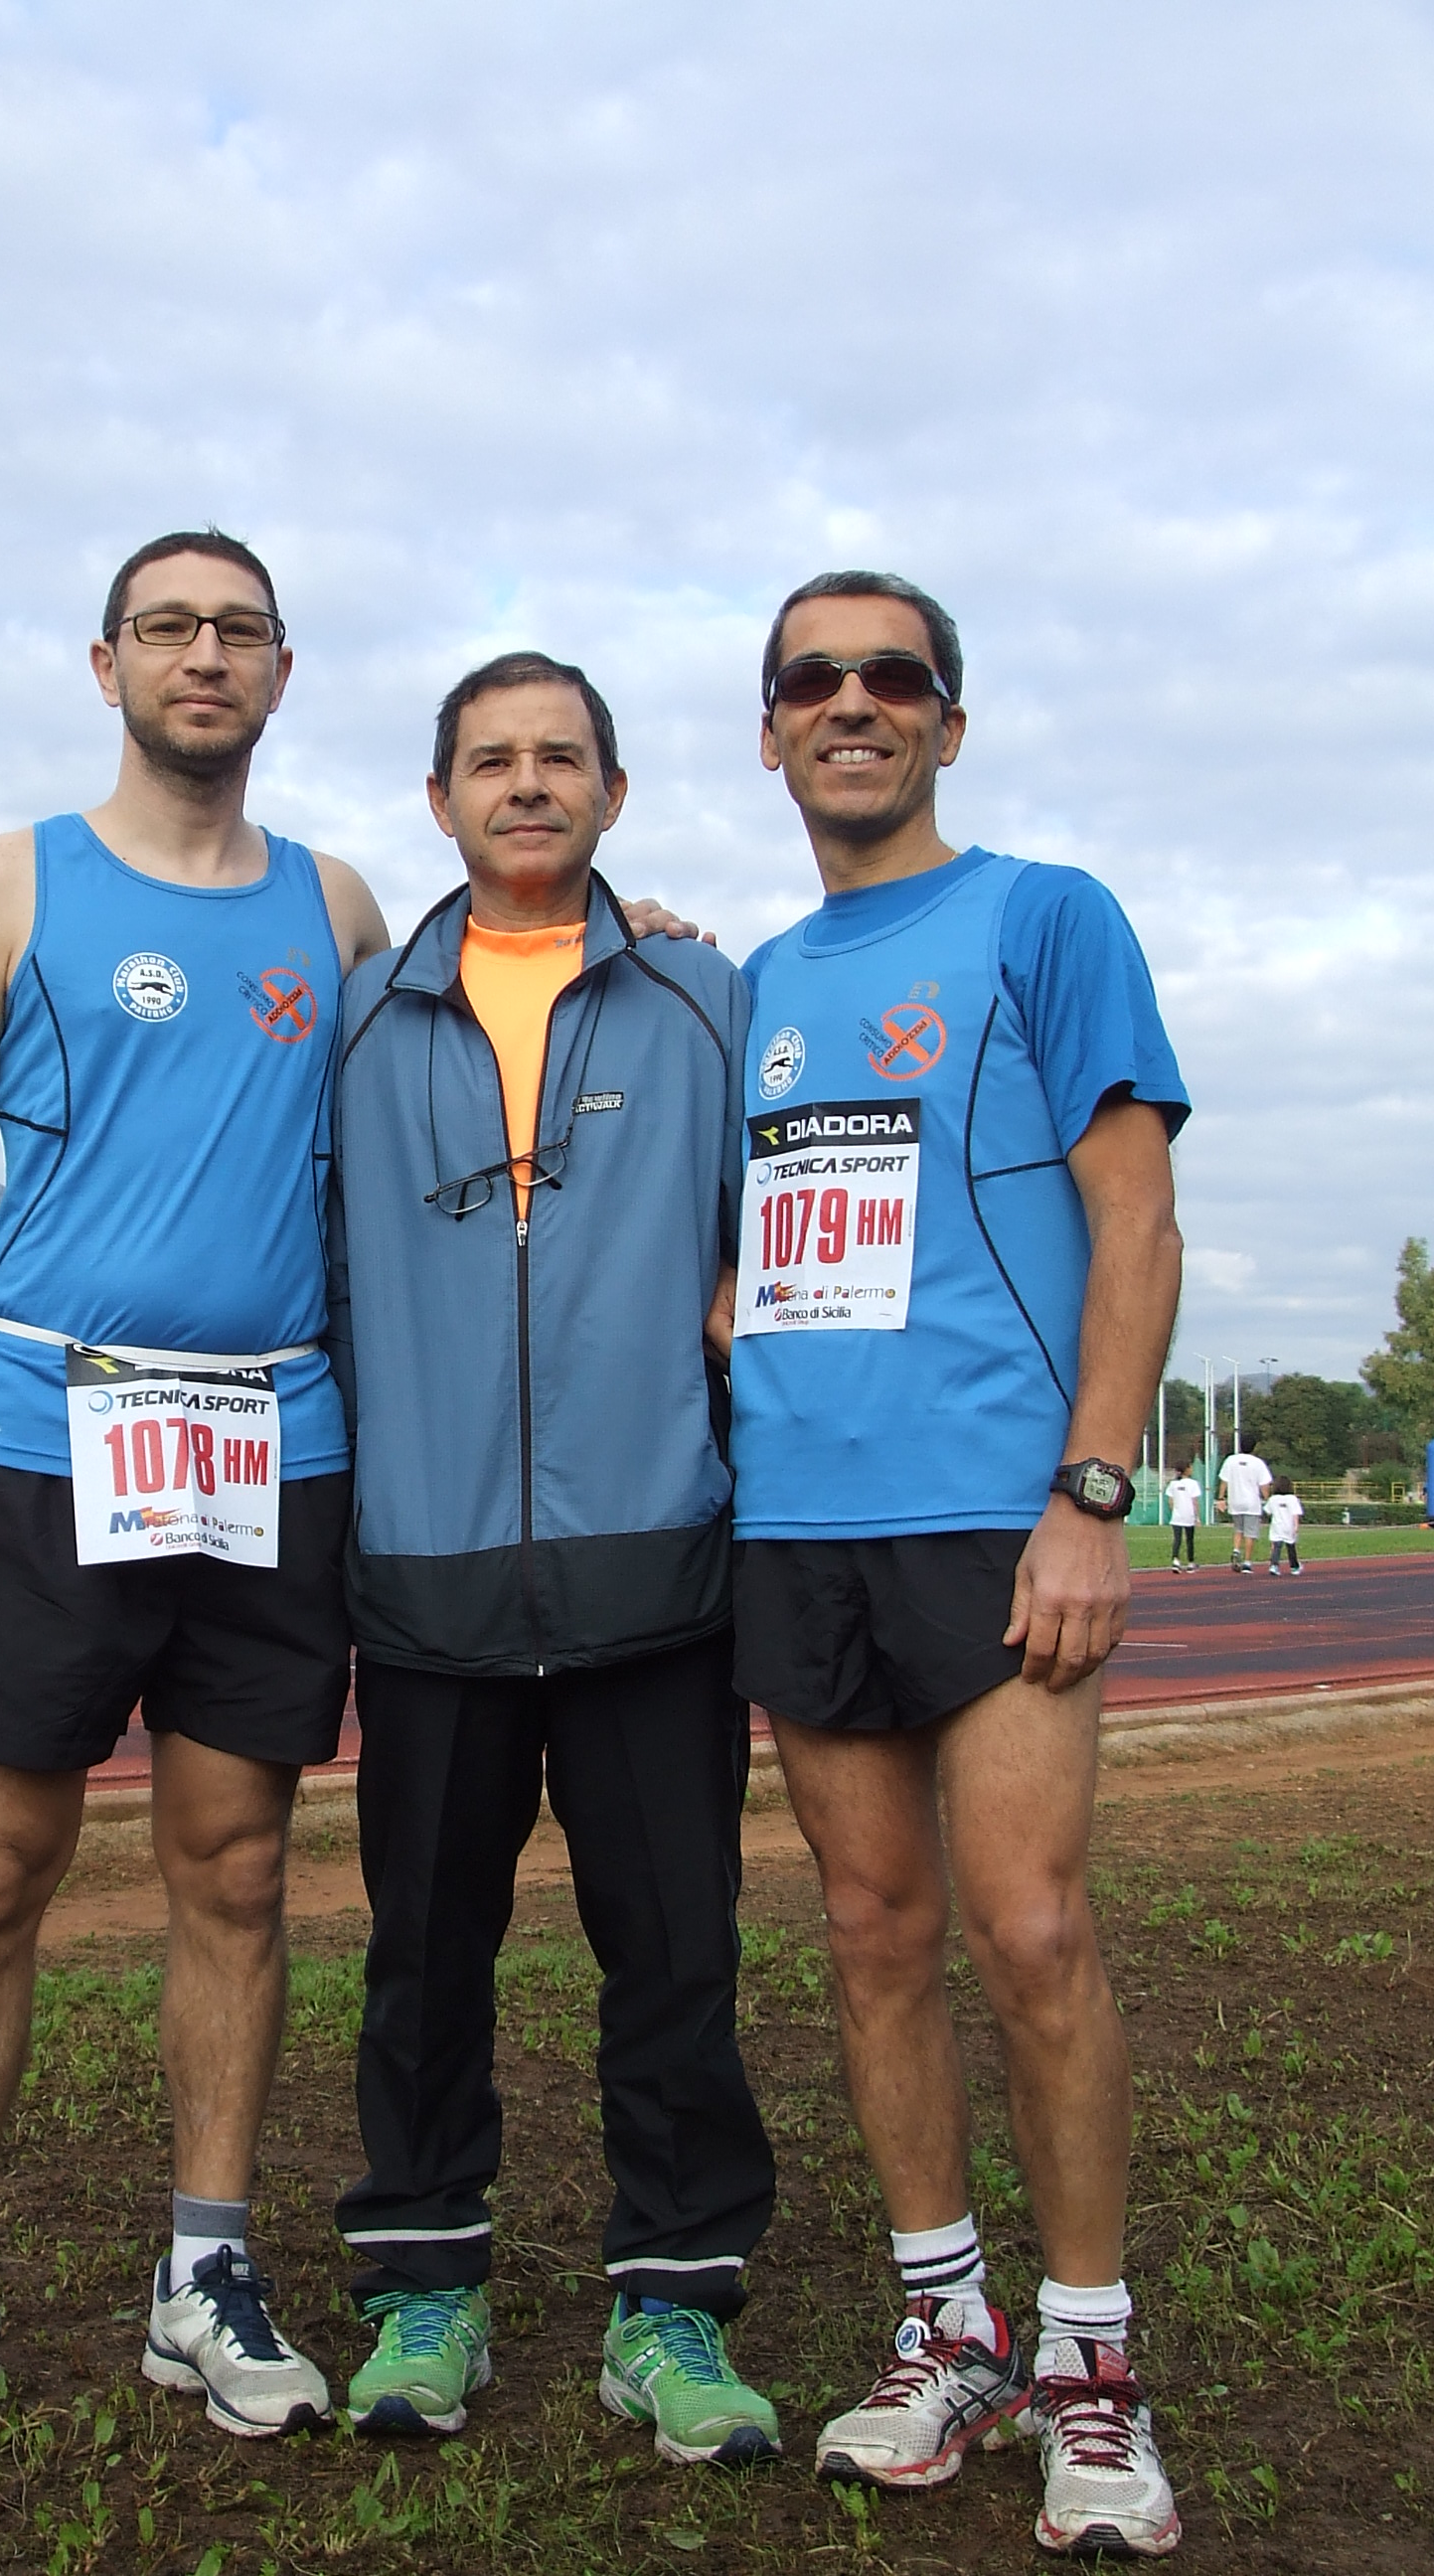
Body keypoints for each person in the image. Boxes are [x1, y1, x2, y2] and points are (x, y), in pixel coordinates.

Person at [0, 530, 396, 2468]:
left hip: (272, 1446)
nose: (203, 657)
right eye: (167, 628)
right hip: (36, 1438)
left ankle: (204, 2271)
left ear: (282, 670)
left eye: (238, 631)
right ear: (106, 665)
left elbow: (441, 1080)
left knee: (235, 1868)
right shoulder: (3, 884)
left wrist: (616, 933)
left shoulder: (337, 903)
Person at [723, 571, 1189, 2555]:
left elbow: (1135, 1216)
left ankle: (1089, 2367)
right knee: (869, 1934)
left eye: (891, 675)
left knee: (1033, 1934)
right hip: (794, 1519)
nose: (853, 702)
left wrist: (1091, 1491)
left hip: (998, 1519)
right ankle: (950, 2333)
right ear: (768, 731)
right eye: (812, 679)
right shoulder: (747, 983)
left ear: (946, 720)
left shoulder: (1044, 916)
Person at [326, 651, 781, 2470]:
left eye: (560, 756)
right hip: (427, 1574)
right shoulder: (355, 1022)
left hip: (656, 1575)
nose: (526, 784)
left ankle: (671, 2304)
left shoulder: (707, 997)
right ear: (438, 798)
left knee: (673, 1957)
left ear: (614, 790)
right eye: (491, 759)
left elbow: (780, 1232)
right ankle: (422, 2285)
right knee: (421, 1959)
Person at [1215, 1443, 1273, 1568]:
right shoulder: (1258, 1463)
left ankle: (1236, 1550)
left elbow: (1224, 1481)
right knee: (1250, 1533)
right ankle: (1247, 1562)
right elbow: (1264, 1485)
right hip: (1252, 1503)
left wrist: (1221, 1497)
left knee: (1238, 1529)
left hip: (1235, 1500)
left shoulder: (1230, 1460)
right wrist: (1268, 1499)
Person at [1165, 1468, 1202, 1569]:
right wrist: (1197, 1517)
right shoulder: (1193, 1483)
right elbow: (1195, 1502)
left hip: (1177, 1517)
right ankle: (1190, 1562)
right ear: (1186, 1470)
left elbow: (1170, 1501)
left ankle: (1175, 1560)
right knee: (1189, 1540)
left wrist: (1175, 1511)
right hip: (1189, 1516)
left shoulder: (1173, 1484)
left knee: (1177, 1539)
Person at [1266, 1479, 1305, 1573]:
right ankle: (1294, 1567)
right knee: (1291, 1547)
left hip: (1277, 1526)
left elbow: (1268, 1511)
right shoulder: (1293, 1499)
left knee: (1276, 1547)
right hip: (1289, 1526)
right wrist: (1296, 1526)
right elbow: (1295, 1514)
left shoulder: (1273, 1499)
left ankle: (1274, 1565)